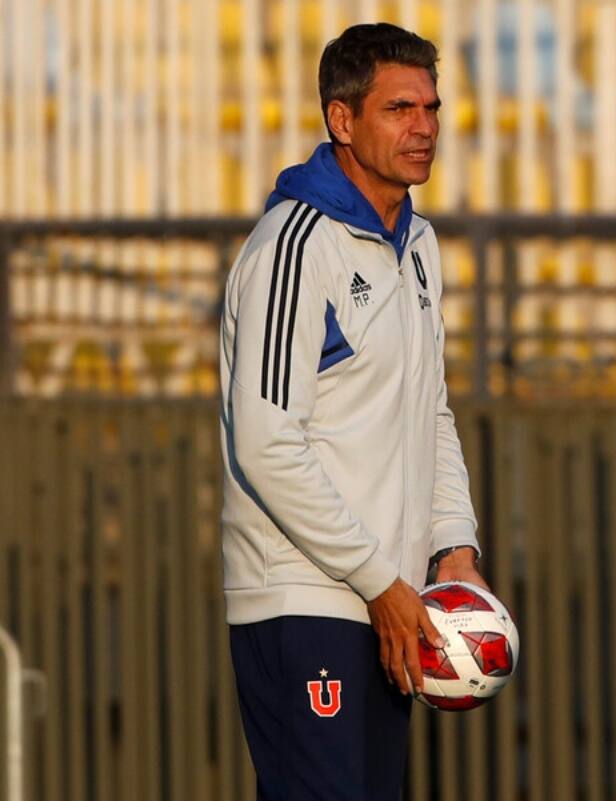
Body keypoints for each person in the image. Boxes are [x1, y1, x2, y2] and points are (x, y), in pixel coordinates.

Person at [218, 23, 485, 801]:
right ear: (342, 120)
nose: (425, 126)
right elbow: (267, 441)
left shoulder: (420, 243)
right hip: (305, 597)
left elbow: (429, 409)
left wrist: (454, 545)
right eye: (401, 107)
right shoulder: (294, 246)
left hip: (392, 603)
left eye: (432, 107)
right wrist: (377, 578)